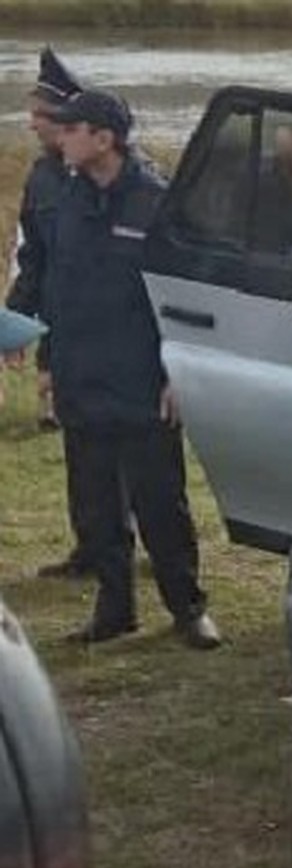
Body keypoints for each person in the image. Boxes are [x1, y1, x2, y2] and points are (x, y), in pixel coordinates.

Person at [45, 90, 221, 650]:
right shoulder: (67, 198)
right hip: (82, 378)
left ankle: (188, 608)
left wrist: (179, 372)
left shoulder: (156, 201)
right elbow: (57, 286)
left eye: (72, 128)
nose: (61, 136)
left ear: (105, 138)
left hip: (143, 382)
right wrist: (49, 363)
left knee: (161, 504)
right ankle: (114, 610)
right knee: (97, 509)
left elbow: (188, 292)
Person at [7, 48, 95, 578]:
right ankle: (91, 547)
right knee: (80, 444)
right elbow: (32, 258)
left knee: (133, 450)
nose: (31, 122)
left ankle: (157, 552)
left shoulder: (116, 175)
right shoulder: (41, 178)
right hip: (63, 329)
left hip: (117, 334)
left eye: (39, 113)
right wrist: (14, 327)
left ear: (64, 119)